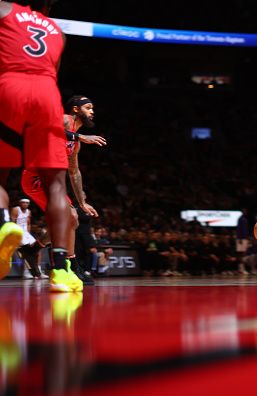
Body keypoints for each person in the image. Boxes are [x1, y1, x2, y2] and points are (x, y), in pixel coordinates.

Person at [0, 0, 81, 291]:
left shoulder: (6, 10)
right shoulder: (59, 31)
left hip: (10, 85)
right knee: (56, 186)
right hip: (48, 95)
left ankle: (2, 226)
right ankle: (60, 269)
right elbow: (53, 70)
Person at [21, 94, 104, 286]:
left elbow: (74, 172)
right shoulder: (65, 119)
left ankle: (33, 250)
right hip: (35, 177)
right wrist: (79, 136)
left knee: (71, 219)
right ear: (76, 109)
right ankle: (69, 265)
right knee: (69, 217)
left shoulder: (76, 143)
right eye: (88, 108)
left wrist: (82, 201)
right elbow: (47, 126)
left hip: (52, 180)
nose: (92, 112)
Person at [11, 198, 48, 279]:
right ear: (20, 203)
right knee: (26, 252)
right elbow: (11, 223)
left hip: (26, 234)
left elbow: (28, 224)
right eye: (23, 202)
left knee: (38, 249)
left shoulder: (28, 211)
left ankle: (39, 270)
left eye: (26, 203)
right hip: (17, 233)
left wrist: (28, 233)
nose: (25, 204)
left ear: (28, 204)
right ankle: (27, 272)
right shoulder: (16, 210)